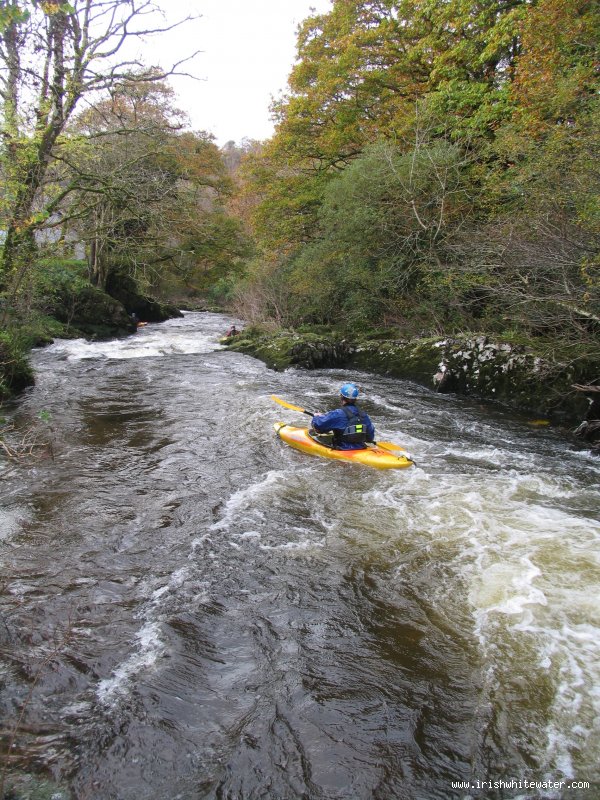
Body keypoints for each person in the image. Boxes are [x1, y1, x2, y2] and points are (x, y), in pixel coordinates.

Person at [310, 383, 375, 450]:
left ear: (341, 396)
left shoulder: (338, 413)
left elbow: (318, 426)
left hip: (342, 448)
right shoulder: (363, 414)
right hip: (361, 448)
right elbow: (370, 437)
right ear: (355, 399)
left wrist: (316, 417)